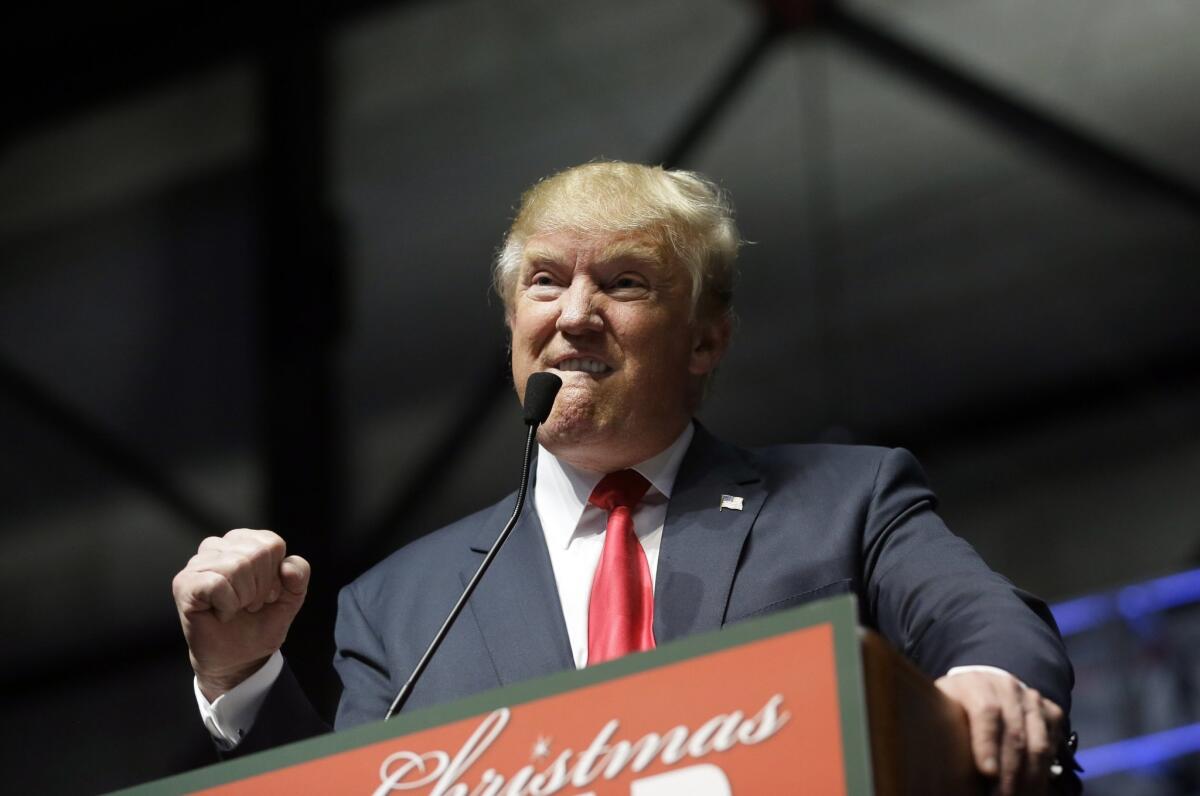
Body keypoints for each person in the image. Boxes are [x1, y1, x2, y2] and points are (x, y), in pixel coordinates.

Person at [173, 161, 1078, 795]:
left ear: (706, 341)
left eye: (626, 282)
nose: (574, 315)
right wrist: (243, 676)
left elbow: (988, 622)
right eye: (543, 281)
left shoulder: (849, 501)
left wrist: (987, 680)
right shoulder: (400, 604)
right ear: (511, 326)